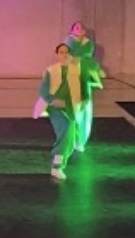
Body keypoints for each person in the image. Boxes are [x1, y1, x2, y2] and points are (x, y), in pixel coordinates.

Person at [34, 42, 84, 180]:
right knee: (65, 132)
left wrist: (83, 100)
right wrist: (52, 100)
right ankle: (56, 166)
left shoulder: (76, 70)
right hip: (55, 108)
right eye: (61, 52)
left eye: (66, 52)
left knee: (70, 139)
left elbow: (83, 87)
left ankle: (60, 162)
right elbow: (43, 91)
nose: (64, 55)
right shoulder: (51, 71)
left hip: (71, 107)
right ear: (57, 54)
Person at [65, 21, 104, 152]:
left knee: (85, 108)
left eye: (81, 28)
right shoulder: (68, 42)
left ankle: (81, 140)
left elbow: (87, 58)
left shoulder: (89, 44)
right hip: (72, 76)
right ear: (72, 31)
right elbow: (67, 57)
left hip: (84, 77)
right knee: (73, 109)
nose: (79, 29)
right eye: (76, 27)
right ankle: (72, 139)